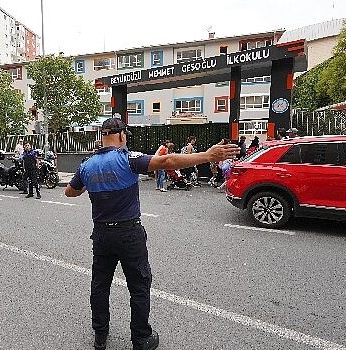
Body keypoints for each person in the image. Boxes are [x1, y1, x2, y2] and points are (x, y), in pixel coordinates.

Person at [65, 118, 240, 350]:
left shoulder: (86, 166)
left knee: (100, 285)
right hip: (129, 234)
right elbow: (167, 160)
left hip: (102, 236)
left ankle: (100, 334)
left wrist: (94, 180)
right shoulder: (128, 159)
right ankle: (141, 338)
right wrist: (208, 156)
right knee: (139, 286)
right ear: (121, 136)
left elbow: (70, 192)